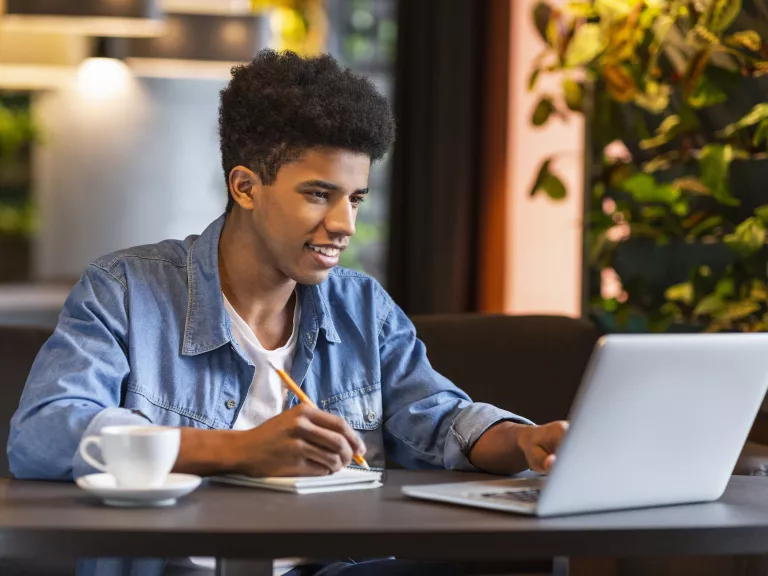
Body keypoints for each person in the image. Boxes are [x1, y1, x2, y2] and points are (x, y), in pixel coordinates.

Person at [8, 49, 568, 576]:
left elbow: (441, 419)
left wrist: (523, 442)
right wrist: (239, 451)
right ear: (246, 187)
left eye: (355, 198)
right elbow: (44, 434)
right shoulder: (125, 291)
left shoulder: (364, 307)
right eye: (319, 194)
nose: (345, 224)